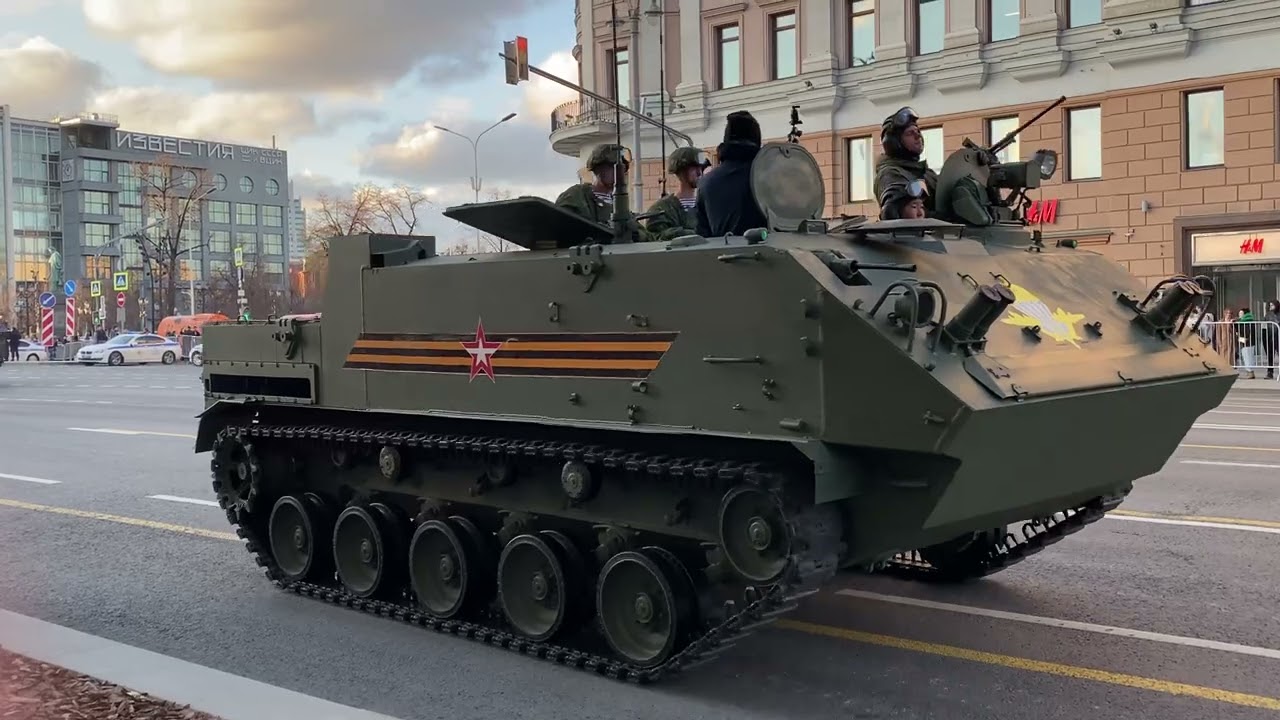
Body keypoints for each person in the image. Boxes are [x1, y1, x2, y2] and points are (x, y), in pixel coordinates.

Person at [695, 110, 767, 238]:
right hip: (770, 254)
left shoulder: (706, 182)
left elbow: (702, 234)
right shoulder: (770, 175)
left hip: (721, 255)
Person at [874, 107, 940, 220]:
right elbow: (896, 213)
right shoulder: (890, 174)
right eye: (910, 133)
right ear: (895, 142)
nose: (918, 136)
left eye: (918, 132)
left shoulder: (926, 173)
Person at [644, 147, 711, 241]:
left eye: (701, 168)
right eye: (694, 168)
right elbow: (655, 239)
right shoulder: (661, 209)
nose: (699, 173)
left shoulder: (707, 204)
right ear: (681, 171)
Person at [555, 144, 631, 226]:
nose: (616, 172)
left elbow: (642, 233)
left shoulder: (620, 202)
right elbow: (558, 222)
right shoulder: (577, 195)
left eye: (621, 168)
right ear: (597, 169)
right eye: (611, 167)